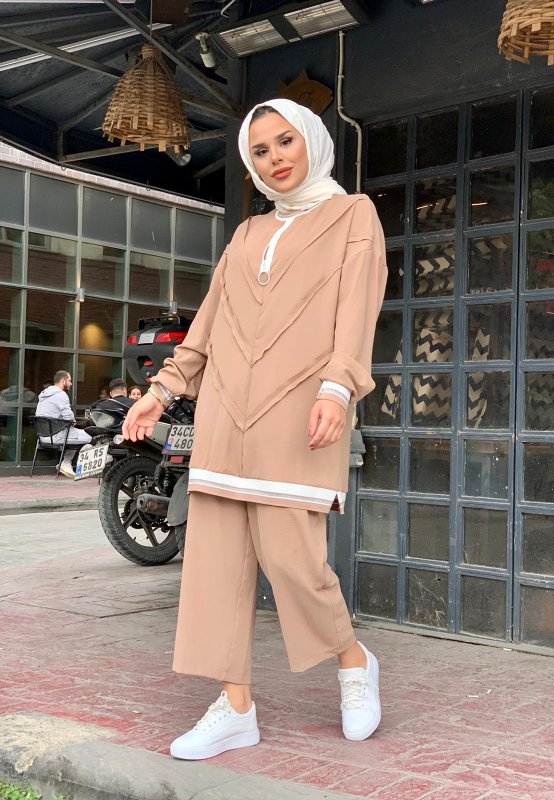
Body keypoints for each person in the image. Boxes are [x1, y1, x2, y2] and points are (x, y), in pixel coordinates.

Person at [123, 98, 387, 761]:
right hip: (223, 419)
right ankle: (235, 706)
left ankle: (354, 661)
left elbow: (357, 308)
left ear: (312, 141)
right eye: (260, 151)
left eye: (285, 141)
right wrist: (160, 392)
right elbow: (208, 324)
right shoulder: (245, 234)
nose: (275, 159)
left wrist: (339, 387)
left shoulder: (354, 215)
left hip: (301, 416)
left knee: (294, 562)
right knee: (215, 566)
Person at [35, 370, 92, 478]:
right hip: (56, 435)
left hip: (43, 436)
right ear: (63, 381)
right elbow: (69, 417)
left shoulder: (44, 395)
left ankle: (66, 463)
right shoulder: (61, 395)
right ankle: (67, 463)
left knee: (74, 435)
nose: (71, 383)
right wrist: (74, 422)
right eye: (69, 380)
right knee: (90, 436)